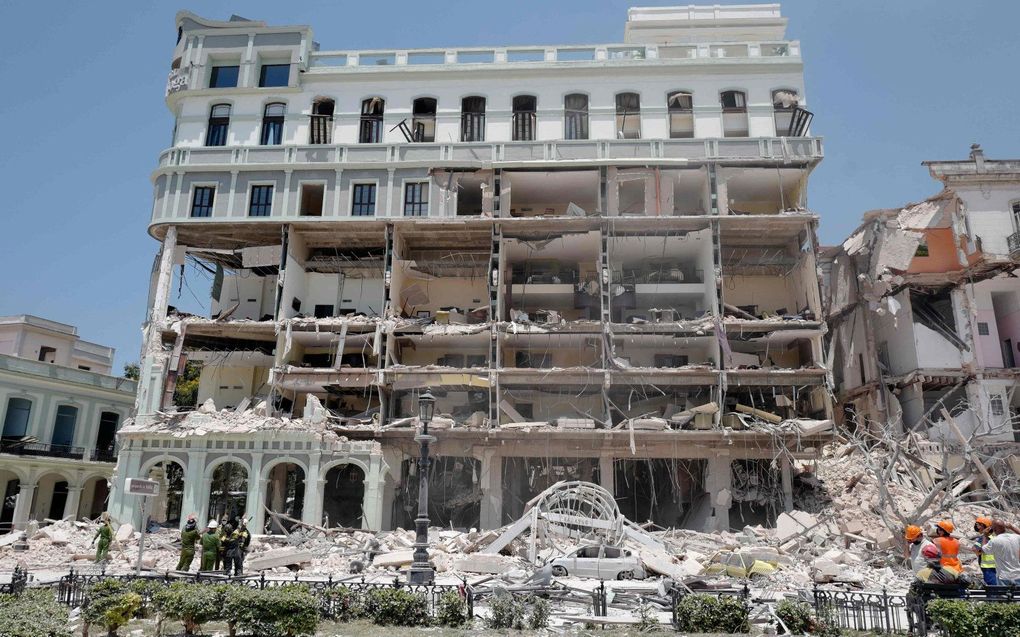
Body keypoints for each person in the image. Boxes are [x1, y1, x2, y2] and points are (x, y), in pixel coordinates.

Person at [984, 521, 1020, 586]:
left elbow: (984, 549)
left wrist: (985, 536)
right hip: (1018, 575)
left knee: (1002, 595)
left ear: (994, 530)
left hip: (1004, 577)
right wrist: (1012, 527)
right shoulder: (1016, 537)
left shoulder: (994, 541)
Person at [973, 516, 997, 586]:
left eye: (978, 525)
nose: (976, 527)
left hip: (987, 566)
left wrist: (978, 553)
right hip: (995, 565)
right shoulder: (993, 537)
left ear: (983, 526)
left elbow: (974, 548)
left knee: (991, 587)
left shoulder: (982, 538)